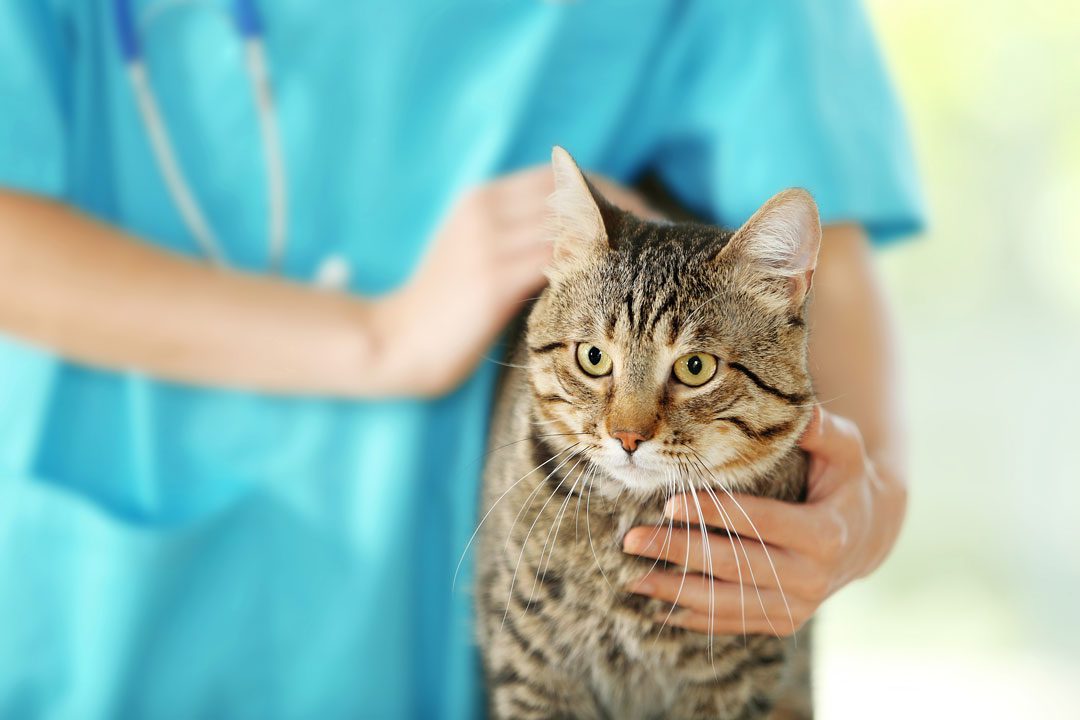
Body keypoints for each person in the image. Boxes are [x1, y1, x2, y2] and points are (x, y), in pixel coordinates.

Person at [0, 1, 921, 718]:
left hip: (565, 597)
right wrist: (384, 339)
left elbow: (820, 261)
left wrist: (863, 507)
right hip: (115, 608)